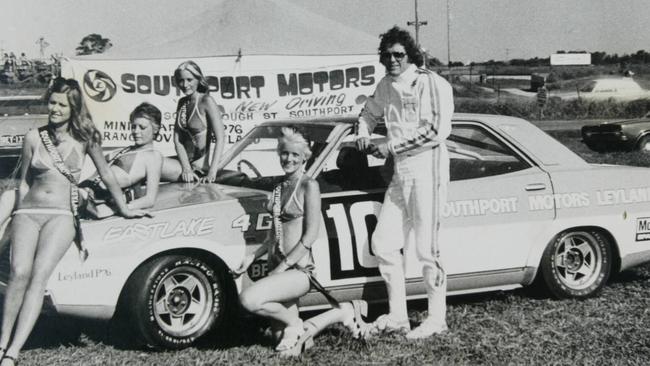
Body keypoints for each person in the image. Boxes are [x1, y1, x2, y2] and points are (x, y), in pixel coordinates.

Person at [0, 78, 148, 365]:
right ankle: (1, 341)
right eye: (52, 103)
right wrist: (14, 214)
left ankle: (13, 353)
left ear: (73, 108)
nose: (54, 109)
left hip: (61, 216)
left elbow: (106, 174)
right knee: (18, 273)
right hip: (27, 213)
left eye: (61, 104)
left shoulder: (86, 137)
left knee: (38, 277)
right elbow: (23, 184)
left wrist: (126, 209)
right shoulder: (33, 136)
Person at [355, 26, 454, 339]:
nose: (392, 60)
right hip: (401, 172)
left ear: (411, 54)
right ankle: (398, 316)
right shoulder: (386, 84)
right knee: (383, 242)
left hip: (428, 169)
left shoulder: (431, 82)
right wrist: (362, 132)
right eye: (386, 55)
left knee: (428, 248)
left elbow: (436, 131)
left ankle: (436, 319)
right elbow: (369, 112)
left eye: (398, 54)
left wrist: (390, 145)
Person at [235, 127, 368, 356]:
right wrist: (251, 257)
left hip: (298, 270)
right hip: (277, 266)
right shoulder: (278, 188)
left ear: (305, 156)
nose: (289, 159)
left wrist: (281, 267)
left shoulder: (309, 186)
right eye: (285, 153)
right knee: (283, 344)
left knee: (248, 299)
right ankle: (341, 312)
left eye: (295, 155)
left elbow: (309, 237)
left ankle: (296, 324)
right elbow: (273, 235)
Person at [81, 102, 163, 215]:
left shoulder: (153, 156)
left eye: (142, 127)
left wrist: (120, 209)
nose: (136, 131)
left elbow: (150, 199)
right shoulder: (122, 150)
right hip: (82, 191)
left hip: (91, 200)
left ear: (156, 129)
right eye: (133, 126)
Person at [161, 60, 225, 183]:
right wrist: (186, 168)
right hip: (184, 166)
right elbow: (177, 140)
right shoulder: (182, 103)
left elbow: (220, 138)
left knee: (150, 163)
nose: (184, 85)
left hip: (199, 169)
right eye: (181, 80)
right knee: (149, 159)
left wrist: (212, 172)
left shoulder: (206, 101)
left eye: (189, 80)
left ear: (198, 79)